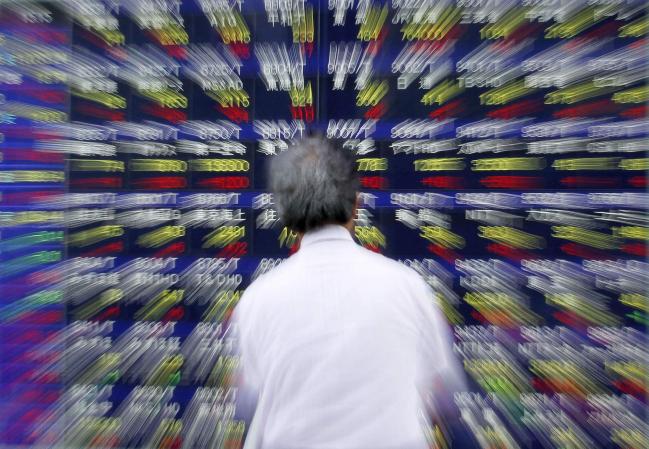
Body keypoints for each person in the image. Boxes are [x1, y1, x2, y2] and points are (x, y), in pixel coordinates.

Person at [231, 136, 466, 449]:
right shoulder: (407, 286)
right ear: (356, 204)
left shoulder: (257, 300)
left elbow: (250, 400)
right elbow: (443, 393)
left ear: (285, 215)